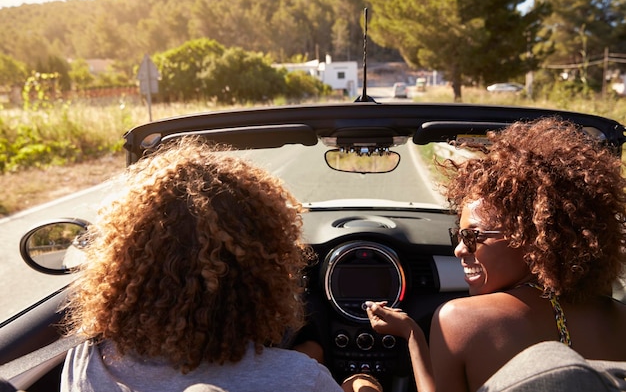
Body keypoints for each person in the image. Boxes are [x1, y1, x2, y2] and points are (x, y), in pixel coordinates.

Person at [60, 136, 345, 392]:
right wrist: (364, 384)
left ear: (121, 265)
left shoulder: (88, 363)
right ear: (264, 276)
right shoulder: (300, 379)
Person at [364, 117, 626, 392]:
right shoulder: (619, 317)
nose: (459, 249)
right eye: (458, 236)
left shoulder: (459, 320)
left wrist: (412, 335)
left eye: (472, 236)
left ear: (528, 237)